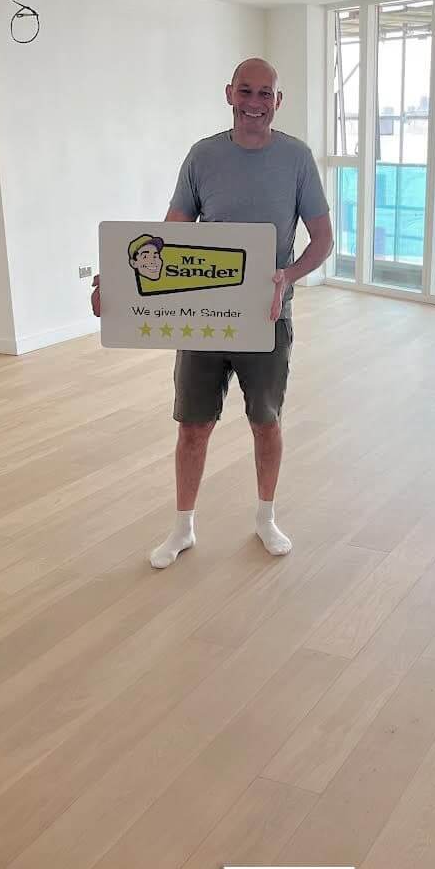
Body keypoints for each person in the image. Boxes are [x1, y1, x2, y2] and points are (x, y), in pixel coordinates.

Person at [91, 57, 334, 569]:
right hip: (204, 316)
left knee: (265, 423)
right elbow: (168, 238)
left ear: (278, 101)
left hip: (268, 318)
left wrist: (285, 277)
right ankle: (183, 528)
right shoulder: (202, 157)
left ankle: (266, 519)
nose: (254, 103)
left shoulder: (296, 158)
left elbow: (323, 239)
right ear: (229, 94)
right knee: (193, 426)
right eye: (245, 91)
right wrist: (117, 280)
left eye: (265, 94)